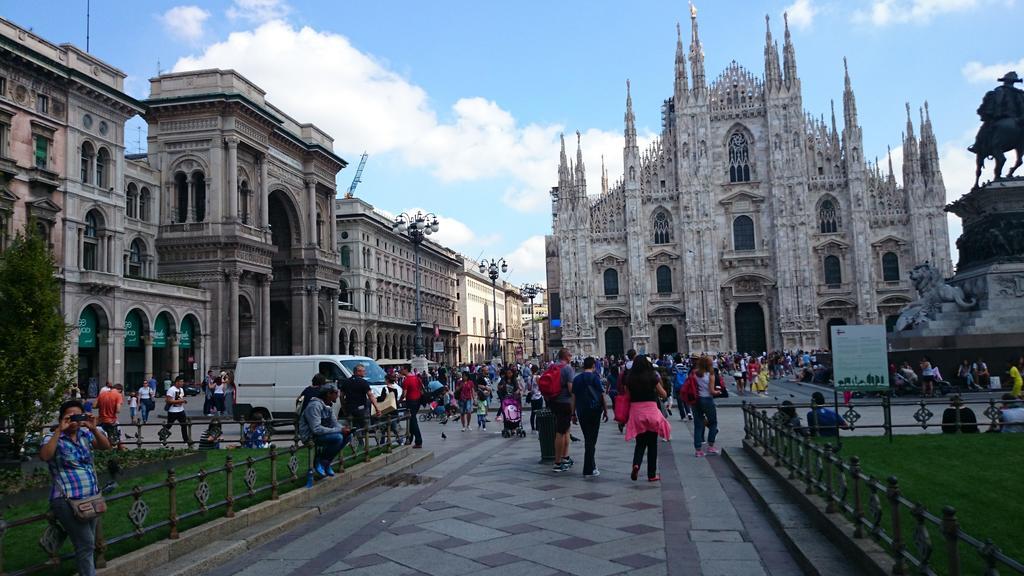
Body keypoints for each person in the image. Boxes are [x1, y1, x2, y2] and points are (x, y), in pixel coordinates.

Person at [40, 399, 112, 576]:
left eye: (77, 416)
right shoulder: (52, 437)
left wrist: (93, 428)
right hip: (67, 500)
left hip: (91, 498)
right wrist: (59, 430)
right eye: (68, 417)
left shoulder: (85, 435)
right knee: (86, 544)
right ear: (61, 418)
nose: (73, 421)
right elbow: (45, 455)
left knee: (89, 543)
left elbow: (105, 446)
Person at [623, 355, 671, 481]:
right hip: (651, 411)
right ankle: (651, 474)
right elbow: (663, 394)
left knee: (640, 443)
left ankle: (636, 464)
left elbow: (627, 396)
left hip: (636, 412)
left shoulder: (629, 379)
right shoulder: (652, 377)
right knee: (652, 444)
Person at [300, 383, 349, 476]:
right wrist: (339, 430)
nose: (338, 395)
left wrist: (343, 429)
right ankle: (320, 462)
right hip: (311, 436)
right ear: (328, 394)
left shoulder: (328, 406)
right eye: (336, 393)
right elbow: (316, 429)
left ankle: (326, 463)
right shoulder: (315, 406)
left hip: (322, 434)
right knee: (338, 437)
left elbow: (334, 423)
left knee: (347, 436)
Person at [571, 357, 608, 477]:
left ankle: (592, 466)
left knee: (588, 439)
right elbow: (602, 395)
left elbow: (574, 397)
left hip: (582, 411)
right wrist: (606, 411)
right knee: (591, 440)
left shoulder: (576, 379)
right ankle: (588, 469)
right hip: (595, 411)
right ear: (593, 365)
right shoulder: (595, 377)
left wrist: (573, 414)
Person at [688, 357, 723, 457]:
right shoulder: (710, 374)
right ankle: (711, 446)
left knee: (698, 425)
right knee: (713, 423)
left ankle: (698, 450)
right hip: (707, 399)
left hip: (695, 401)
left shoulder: (694, 373)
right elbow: (711, 391)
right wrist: (718, 392)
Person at [340, 364, 380, 445]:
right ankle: (366, 445)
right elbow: (370, 395)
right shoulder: (363, 382)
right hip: (361, 409)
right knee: (365, 427)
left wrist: (344, 408)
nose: (365, 372)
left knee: (354, 427)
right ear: (357, 372)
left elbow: (341, 396)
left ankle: (359, 443)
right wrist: (377, 408)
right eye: (363, 371)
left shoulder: (346, 382)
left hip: (350, 409)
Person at [551, 348, 576, 473]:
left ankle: (565, 458)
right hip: (564, 402)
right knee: (560, 432)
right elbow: (571, 389)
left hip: (554, 402)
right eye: (570, 354)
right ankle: (557, 462)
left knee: (566, 430)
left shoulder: (552, 367)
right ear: (566, 356)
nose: (571, 356)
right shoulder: (567, 368)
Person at [399, 368, 423, 448]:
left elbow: (404, 394)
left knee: (412, 421)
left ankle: (418, 441)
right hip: (418, 401)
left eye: (401, 370)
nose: (400, 371)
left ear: (405, 370)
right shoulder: (416, 378)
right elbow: (421, 389)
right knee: (411, 420)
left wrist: (400, 400)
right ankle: (409, 439)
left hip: (411, 401)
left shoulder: (406, 380)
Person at [164, 376, 191, 445]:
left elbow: (180, 398)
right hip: (172, 411)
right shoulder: (171, 390)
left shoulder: (181, 389)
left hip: (181, 410)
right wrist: (179, 401)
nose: (182, 383)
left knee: (184, 425)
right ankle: (162, 438)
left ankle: (186, 440)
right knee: (169, 425)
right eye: (181, 382)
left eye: (183, 382)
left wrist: (182, 401)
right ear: (177, 382)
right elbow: (168, 400)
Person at [95, 383, 123, 447]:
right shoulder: (118, 395)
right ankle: (120, 449)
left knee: (105, 439)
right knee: (116, 440)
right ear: (120, 390)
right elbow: (118, 410)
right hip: (111, 421)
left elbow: (94, 406)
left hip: (101, 420)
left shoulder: (102, 394)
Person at [527, 365, 544, 431]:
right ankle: (537, 427)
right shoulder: (538, 377)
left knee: (533, 413)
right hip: (538, 397)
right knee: (539, 412)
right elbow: (540, 387)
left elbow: (528, 388)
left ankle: (532, 427)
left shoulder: (529, 378)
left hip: (532, 397)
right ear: (537, 370)